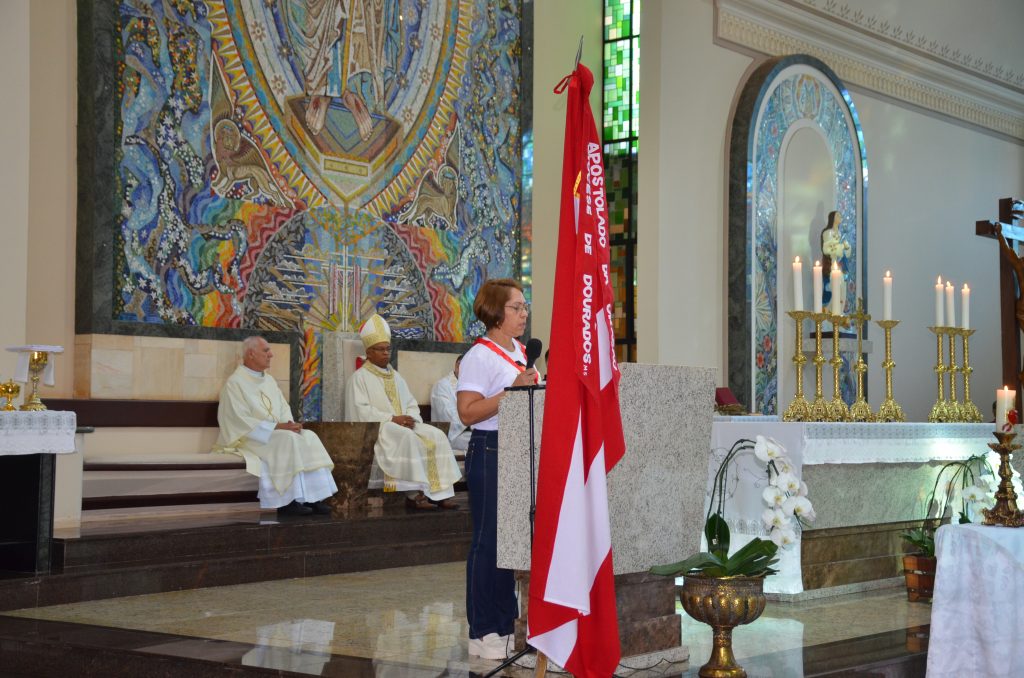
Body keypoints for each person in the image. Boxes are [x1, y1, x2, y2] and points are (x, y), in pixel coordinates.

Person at [456, 278, 539, 661]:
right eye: (516, 307)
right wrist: (514, 392)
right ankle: (482, 629)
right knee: (488, 541)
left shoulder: (521, 352)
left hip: (521, 451)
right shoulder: (480, 355)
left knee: (511, 544)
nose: (524, 314)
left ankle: (507, 624)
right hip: (490, 449)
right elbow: (468, 412)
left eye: (525, 307)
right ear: (495, 311)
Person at [344, 313, 462, 511]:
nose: (385, 353)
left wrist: (411, 418)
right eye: (380, 349)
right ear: (369, 352)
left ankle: (441, 494)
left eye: (387, 349)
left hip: (404, 424)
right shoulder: (359, 378)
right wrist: (392, 419)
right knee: (406, 438)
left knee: (437, 435)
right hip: (380, 430)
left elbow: (410, 403)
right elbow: (361, 412)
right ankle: (414, 494)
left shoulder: (396, 376)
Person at [214, 336, 337, 517]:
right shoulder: (235, 383)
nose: (271, 355)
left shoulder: (269, 381)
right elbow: (238, 420)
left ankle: (312, 497)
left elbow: (282, 408)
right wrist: (276, 428)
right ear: (251, 354)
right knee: (287, 439)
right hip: (250, 439)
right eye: (266, 351)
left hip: (273, 434)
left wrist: (289, 424)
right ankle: (286, 500)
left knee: (309, 436)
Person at [430, 354, 471, 452]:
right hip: (452, 435)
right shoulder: (442, 386)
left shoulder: (472, 387)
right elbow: (448, 417)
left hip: (469, 430)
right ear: (458, 365)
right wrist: (474, 420)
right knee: (482, 441)